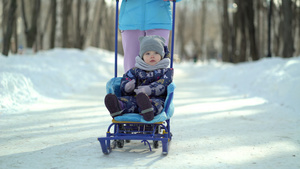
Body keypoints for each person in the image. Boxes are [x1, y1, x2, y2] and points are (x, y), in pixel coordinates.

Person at [104, 35, 173, 121]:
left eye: (156, 53)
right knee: (127, 101)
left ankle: (148, 111)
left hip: (157, 99)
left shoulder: (166, 71)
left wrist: (149, 89)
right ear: (142, 56)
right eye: (148, 53)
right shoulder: (135, 71)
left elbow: (163, 84)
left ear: (162, 55)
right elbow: (126, 79)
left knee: (158, 105)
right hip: (136, 99)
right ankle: (118, 107)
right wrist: (127, 87)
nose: (152, 56)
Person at [119, 0, 182, 72]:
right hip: (130, 20)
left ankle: (158, 82)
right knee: (131, 65)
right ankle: (131, 82)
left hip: (159, 19)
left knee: (157, 63)